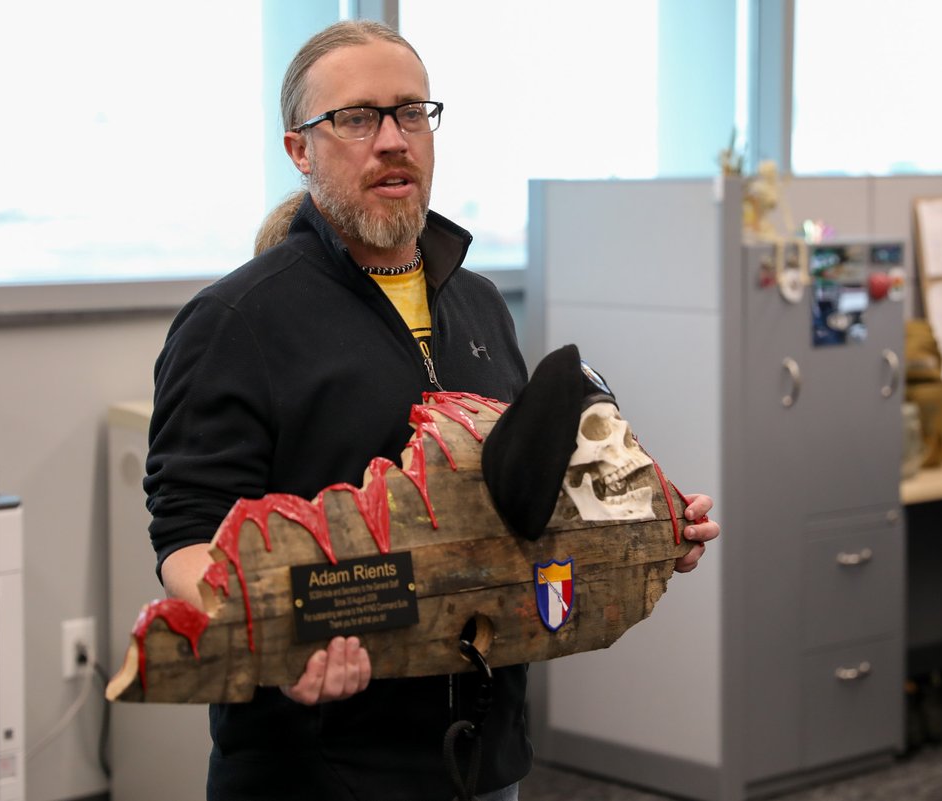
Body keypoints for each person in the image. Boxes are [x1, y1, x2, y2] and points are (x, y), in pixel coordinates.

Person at [144, 19, 719, 801]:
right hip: (321, 768)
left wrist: (648, 523)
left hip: (482, 752)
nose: (392, 139)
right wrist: (277, 638)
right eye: (356, 117)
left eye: (411, 112)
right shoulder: (236, 322)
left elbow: (516, 494)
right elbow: (186, 531)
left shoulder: (479, 306)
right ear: (299, 150)